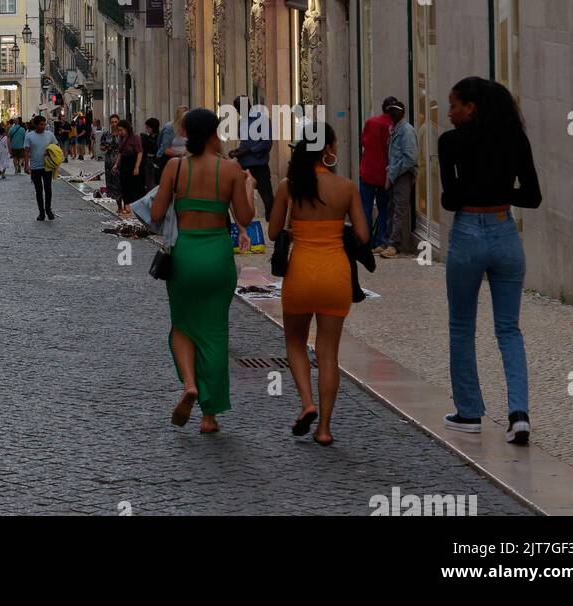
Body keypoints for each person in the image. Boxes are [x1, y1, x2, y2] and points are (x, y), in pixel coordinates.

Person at [439, 77, 542, 446]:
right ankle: (519, 415)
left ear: (472, 107)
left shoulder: (450, 143)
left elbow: (449, 200)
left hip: (468, 232)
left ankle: (468, 413)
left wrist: (472, 189)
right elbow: (532, 196)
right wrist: (499, 190)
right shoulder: (515, 140)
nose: (448, 113)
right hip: (504, 231)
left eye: (454, 105)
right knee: (509, 329)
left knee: (462, 326)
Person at [150, 108, 255, 434]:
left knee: (183, 325)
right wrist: (247, 186)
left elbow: (156, 214)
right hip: (218, 255)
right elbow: (246, 218)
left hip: (185, 255)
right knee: (215, 331)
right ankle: (210, 416)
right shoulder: (231, 169)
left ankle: (190, 385)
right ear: (215, 133)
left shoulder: (175, 167)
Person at [268, 123, 367, 447]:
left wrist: (298, 230)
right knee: (328, 354)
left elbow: (272, 232)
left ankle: (306, 403)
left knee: (295, 343)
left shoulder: (288, 186)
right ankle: (324, 428)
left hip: (301, 272)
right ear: (328, 150)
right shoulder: (346, 187)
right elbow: (364, 237)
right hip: (335, 273)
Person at [379, 98, 418, 258]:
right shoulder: (394, 129)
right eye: (390, 112)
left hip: (403, 175)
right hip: (395, 174)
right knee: (392, 209)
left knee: (399, 211)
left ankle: (394, 245)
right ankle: (387, 242)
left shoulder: (406, 131)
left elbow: (410, 158)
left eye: (394, 112)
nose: (391, 115)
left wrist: (394, 171)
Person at [230, 95, 275, 222]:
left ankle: (272, 223)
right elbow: (244, 143)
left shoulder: (262, 119)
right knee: (242, 196)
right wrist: (236, 152)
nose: (239, 112)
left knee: (267, 198)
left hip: (259, 165)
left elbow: (266, 142)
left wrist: (249, 151)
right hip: (244, 165)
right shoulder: (241, 122)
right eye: (237, 109)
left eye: (239, 108)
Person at [358, 99, 394, 249]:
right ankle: (380, 241)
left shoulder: (371, 122)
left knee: (365, 207)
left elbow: (364, 142)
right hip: (383, 174)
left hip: (367, 170)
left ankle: (366, 241)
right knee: (383, 208)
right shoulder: (392, 127)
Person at [25, 114, 56, 221]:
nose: (43, 126)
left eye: (44, 124)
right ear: (36, 125)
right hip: (35, 167)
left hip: (47, 166)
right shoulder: (29, 136)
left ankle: (48, 209)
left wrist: (55, 161)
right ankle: (41, 212)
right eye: (41, 124)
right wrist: (26, 165)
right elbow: (27, 151)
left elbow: (56, 148)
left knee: (48, 188)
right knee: (38, 190)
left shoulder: (50, 135)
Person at [116, 119, 145, 218]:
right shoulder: (121, 139)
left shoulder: (135, 138)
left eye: (121, 130)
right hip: (124, 164)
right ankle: (126, 205)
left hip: (132, 163)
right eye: (119, 130)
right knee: (124, 185)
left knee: (133, 186)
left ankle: (134, 206)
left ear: (127, 129)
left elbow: (139, 152)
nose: (120, 132)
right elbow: (120, 152)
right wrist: (116, 164)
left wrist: (137, 167)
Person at [140, 117, 162, 192]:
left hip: (155, 160)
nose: (147, 129)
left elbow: (156, 148)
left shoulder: (159, 137)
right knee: (147, 180)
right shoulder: (147, 137)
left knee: (153, 180)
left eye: (148, 127)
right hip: (147, 161)